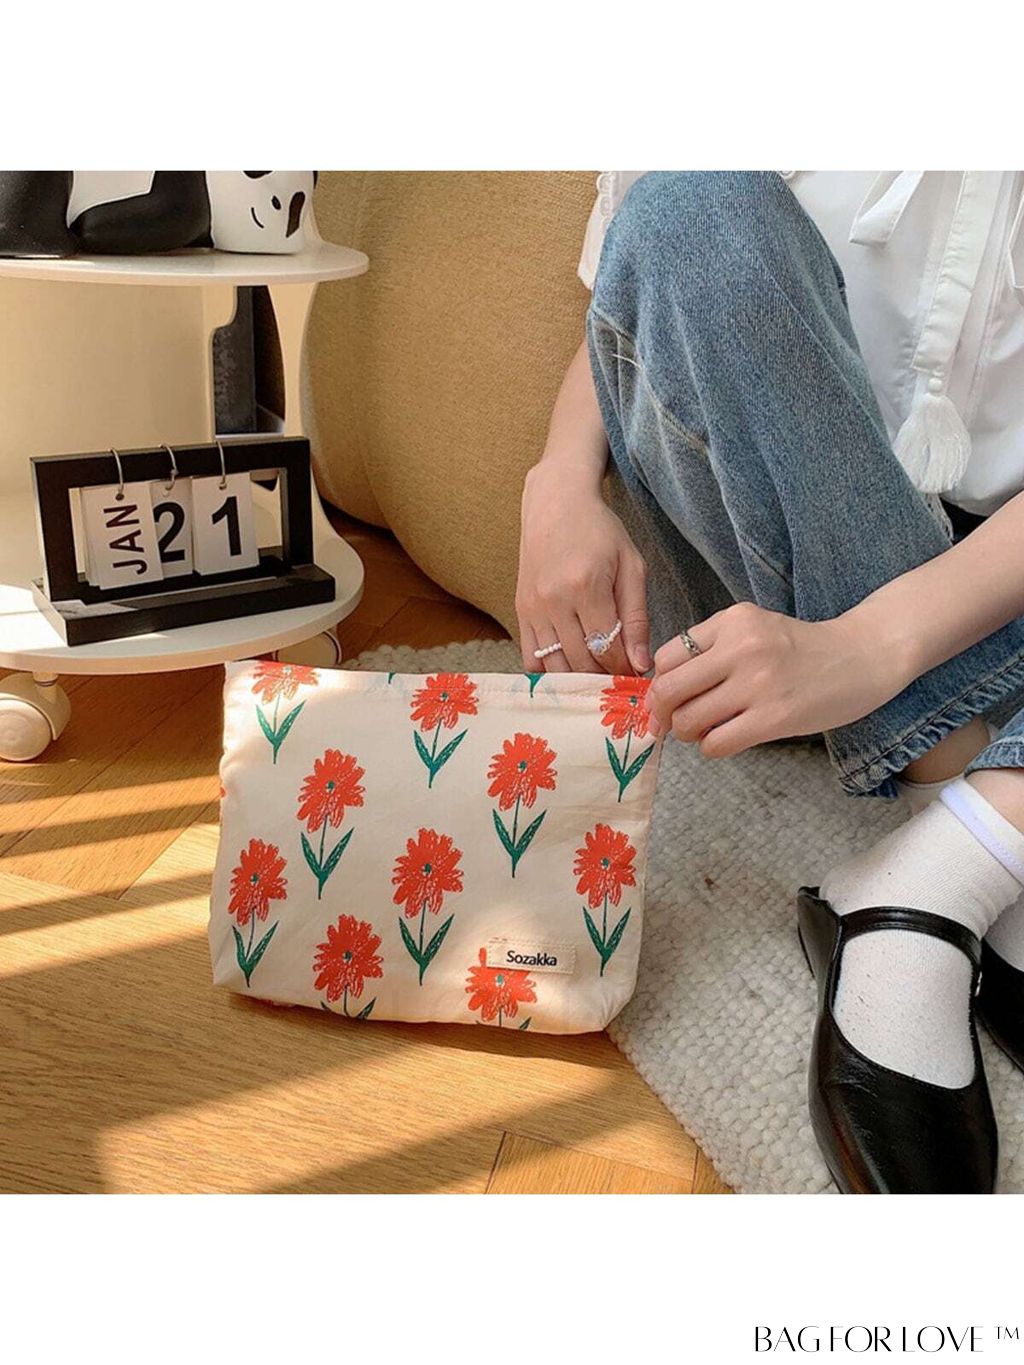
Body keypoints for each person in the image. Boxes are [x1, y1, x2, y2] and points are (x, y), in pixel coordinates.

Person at [515, 170, 1024, 1193]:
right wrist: (559, 480)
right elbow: (651, 258)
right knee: (695, 205)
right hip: (755, 555)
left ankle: (935, 875)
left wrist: (873, 646)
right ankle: (979, 828)